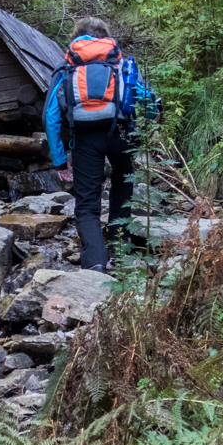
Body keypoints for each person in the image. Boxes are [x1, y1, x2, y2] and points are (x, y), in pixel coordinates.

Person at [43, 17, 155, 272]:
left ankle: (95, 262)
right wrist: (147, 127)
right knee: (123, 185)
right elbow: (147, 101)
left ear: (76, 38)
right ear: (106, 37)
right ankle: (119, 246)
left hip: (84, 139)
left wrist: (60, 161)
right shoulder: (120, 62)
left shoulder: (67, 66)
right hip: (122, 133)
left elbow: (49, 116)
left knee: (87, 202)